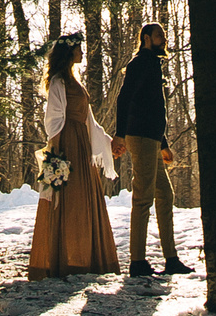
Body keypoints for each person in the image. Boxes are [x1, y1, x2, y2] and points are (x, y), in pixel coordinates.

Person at [26, 38, 119, 279]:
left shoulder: (74, 81)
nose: (82, 53)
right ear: (69, 52)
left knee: (83, 199)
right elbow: (54, 119)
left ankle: (84, 257)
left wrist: (107, 143)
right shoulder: (58, 82)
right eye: (79, 49)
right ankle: (65, 259)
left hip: (80, 142)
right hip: (67, 143)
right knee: (67, 198)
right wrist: (55, 157)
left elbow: (88, 119)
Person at [110, 22, 194, 277]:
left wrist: (164, 144)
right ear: (146, 38)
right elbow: (124, 99)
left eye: (164, 36)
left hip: (153, 139)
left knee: (165, 195)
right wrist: (119, 134)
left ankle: (171, 259)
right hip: (140, 137)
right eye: (159, 36)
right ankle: (137, 262)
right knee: (143, 197)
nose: (163, 39)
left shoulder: (153, 64)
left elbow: (155, 108)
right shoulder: (139, 63)